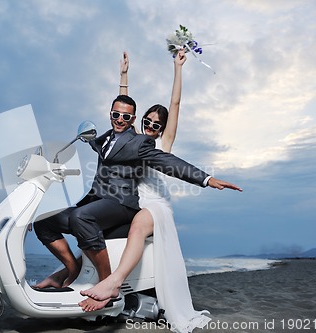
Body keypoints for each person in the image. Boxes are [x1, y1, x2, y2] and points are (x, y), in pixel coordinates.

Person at [33, 77, 240, 296]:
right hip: (99, 200)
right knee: (43, 221)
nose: (120, 120)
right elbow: (118, 109)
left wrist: (206, 179)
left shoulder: (141, 142)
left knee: (81, 218)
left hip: (126, 202)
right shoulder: (105, 138)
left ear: (133, 120)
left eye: (125, 117)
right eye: (115, 115)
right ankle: (72, 269)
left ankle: (107, 284)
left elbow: (169, 162)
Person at [79, 51, 229, 331]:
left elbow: (175, 102)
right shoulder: (133, 140)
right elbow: (121, 111)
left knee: (137, 227)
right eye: (146, 122)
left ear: (161, 130)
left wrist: (177, 67)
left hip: (155, 204)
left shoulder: (163, 144)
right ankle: (78, 279)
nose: (150, 127)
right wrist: (124, 75)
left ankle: (113, 282)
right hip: (134, 203)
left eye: (156, 125)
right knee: (95, 227)